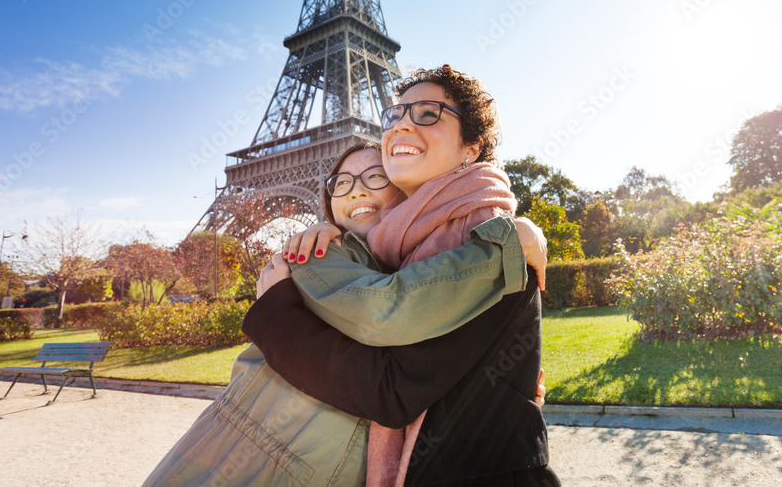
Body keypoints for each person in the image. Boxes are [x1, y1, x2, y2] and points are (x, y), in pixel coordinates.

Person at [144, 143, 545, 483]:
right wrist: (507, 244)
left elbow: (412, 373)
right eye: (342, 182)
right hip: (243, 454)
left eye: (375, 176)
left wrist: (497, 389)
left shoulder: (417, 269)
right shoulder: (315, 256)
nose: (355, 191)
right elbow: (386, 323)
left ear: (409, 192)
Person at [245, 66, 560, 486]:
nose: (403, 124)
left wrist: (277, 317)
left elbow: (389, 388)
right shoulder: (392, 249)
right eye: (395, 115)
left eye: (429, 112)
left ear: (472, 147)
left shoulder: (488, 240)